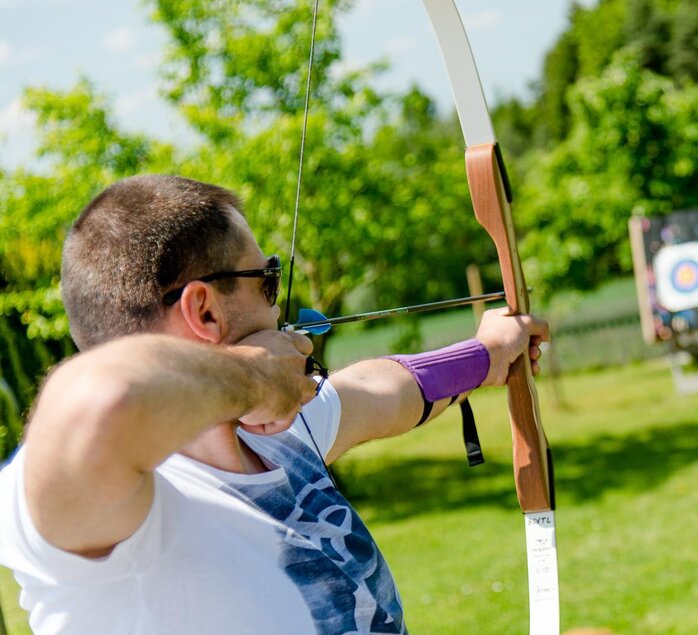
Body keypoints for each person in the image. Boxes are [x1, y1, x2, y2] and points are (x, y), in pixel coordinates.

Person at [0, 174, 548, 634]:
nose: (278, 303)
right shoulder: (100, 517)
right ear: (205, 311)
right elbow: (98, 401)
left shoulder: (275, 437)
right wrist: (254, 374)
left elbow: (386, 389)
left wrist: (486, 354)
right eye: (267, 279)